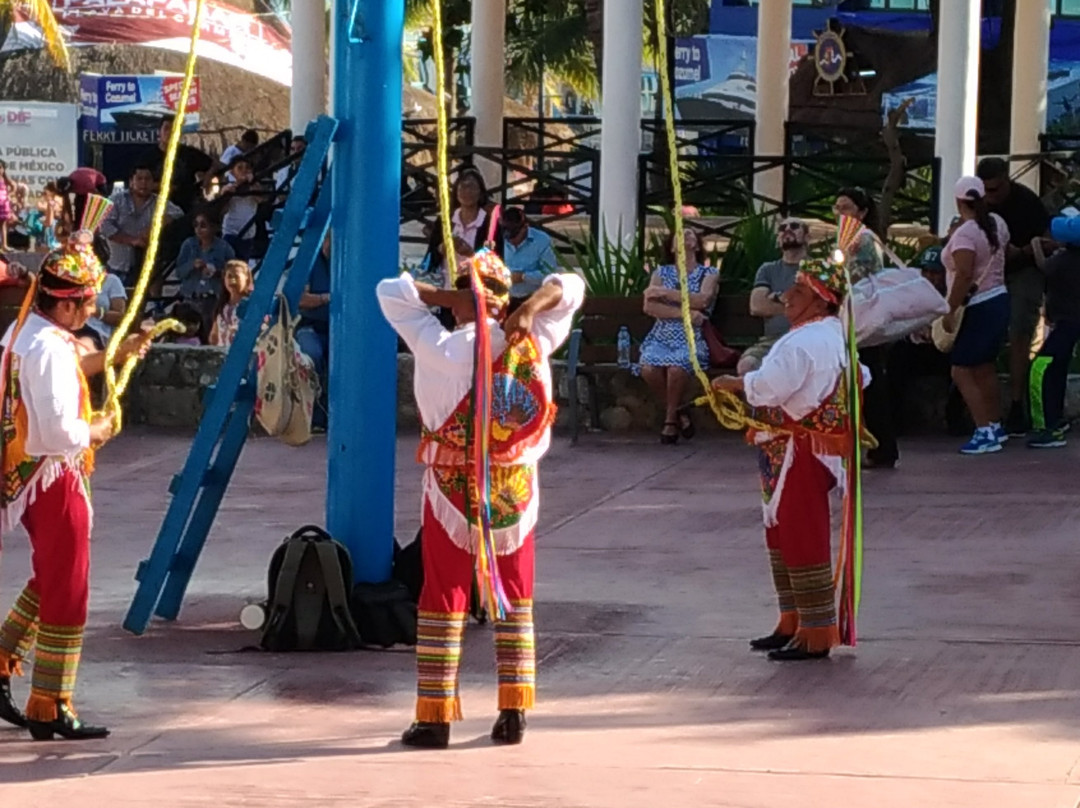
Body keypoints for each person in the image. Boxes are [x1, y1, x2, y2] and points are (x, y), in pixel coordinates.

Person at [376, 250, 584, 750]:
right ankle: (513, 711)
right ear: (502, 298)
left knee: (444, 593)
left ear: (459, 301)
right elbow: (571, 285)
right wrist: (529, 307)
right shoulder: (531, 341)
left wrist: (448, 298)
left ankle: (435, 716)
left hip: (452, 486)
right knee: (514, 591)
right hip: (512, 486)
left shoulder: (439, 345)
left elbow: (389, 290)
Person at [0, 229, 152, 739]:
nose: (90, 313)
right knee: (69, 588)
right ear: (67, 305)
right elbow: (63, 432)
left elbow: (66, 367)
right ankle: (51, 701)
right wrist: (100, 429)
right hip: (54, 476)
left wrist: (117, 353)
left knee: (52, 575)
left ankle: (2, 659)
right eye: (86, 304)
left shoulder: (24, 334)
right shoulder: (48, 349)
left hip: (30, 478)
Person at [711, 257, 865, 662]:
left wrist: (736, 383)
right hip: (797, 447)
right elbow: (862, 376)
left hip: (799, 448)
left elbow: (768, 387)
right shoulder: (833, 334)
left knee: (800, 532)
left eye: (797, 291)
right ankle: (793, 620)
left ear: (819, 300)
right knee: (782, 531)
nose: (786, 297)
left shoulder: (805, 341)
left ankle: (815, 631)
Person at [976, 158, 1052, 437]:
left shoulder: (1027, 202)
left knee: (1020, 326)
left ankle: (1018, 404)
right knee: (974, 328)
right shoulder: (979, 203)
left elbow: (1048, 237)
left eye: (995, 190)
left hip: (1022, 269)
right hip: (987, 271)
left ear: (1007, 180)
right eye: (986, 191)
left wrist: (1023, 251)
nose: (991, 196)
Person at [941, 176, 1011, 455]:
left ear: (959, 201)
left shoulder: (965, 235)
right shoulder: (997, 223)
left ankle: (983, 430)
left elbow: (964, 273)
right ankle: (995, 424)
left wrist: (950, 308)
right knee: (984, 367)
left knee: (961, 368)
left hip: (976, 305)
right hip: (999, 297)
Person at [834, 187, 898, 469]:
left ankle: (882, 446)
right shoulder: (847, 239)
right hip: (853, 318)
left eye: (845, 208)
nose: (839, 214)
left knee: (870, 384)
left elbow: (859, 277)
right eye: (837, 208)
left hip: (863, 321)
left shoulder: (863, 239)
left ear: (862, 212)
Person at [639, 228, 719, 444]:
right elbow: (649, 306)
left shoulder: (708, 274)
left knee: (677, 367)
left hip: (693, 336)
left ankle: (670, 421)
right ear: (672, 246)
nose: (685, 236)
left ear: (697, 245)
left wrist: (664, 293)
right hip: (661, 335)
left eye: (690, 234)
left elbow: (702, 300)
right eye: (680, 235)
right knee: (648, 368)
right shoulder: (660, 273)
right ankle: (679, 413)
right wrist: (687, 314)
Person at [885, 245, 968, 437]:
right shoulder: (913, 290)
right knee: (897, 357)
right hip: (917, 349)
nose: (931, 277)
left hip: (944, 349)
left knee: (962, 363)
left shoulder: (954, 292)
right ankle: (894, 421)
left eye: (936, 272)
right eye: (927, 271)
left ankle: (955, 420)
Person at [1027, 217, 1080, 448]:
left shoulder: (1062, 262)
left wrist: (1036, 244)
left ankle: (1048, 427)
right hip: (1070, 321)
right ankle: (1056, 421)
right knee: (1058, 367)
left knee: (1042, 369)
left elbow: (1042, 265)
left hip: (1067, 322)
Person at [738, 218, 809, 375]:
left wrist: (776, 298)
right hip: (773, 341)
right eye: (782, 228)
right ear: (778, 238)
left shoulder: (818, 268)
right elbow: (756, 307)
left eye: (795, 226)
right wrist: (799, 307)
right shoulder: (767, 269)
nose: (787, 229)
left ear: (807, 237)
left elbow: (822, 307)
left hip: (809, 338)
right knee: (747, 366)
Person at [100, 165, 182, 284]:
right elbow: (104, 225)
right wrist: (132, 240)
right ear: (131, 182)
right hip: (117, 266)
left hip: (145, 268)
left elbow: (178, 213)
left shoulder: (159, 201)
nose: (143, 183)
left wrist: (154, 226)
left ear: (153, 183)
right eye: (139, 179)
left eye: (147, 179)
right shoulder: (116, 200)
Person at [296, 232, 331, 431]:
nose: (328, 243)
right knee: (312, 356)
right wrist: (327, 297)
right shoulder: (308, 262)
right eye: (326, 238)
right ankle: (313, 415)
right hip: (309, 326)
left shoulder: (347, 262)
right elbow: (302, 299)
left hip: (336, 328)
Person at [142, 119, 213, 215]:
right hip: (155, 208)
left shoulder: (188, 153)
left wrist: (208, 177)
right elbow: (138, 183)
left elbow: (213, 164)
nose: (169, 132)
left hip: (185, 207)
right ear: (159, 131)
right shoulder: (148, 157)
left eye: (174, 129)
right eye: (166, 128)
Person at [503, 207, 558, 312]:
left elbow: (550, 274)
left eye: (514, 236)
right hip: (503, 297)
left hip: (532, 299)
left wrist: (523, 277)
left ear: (525, 228)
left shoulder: (542, 241)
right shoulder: (497, 239)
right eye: (508, 238)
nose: (511, 241)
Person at [175, 210, 234, 302]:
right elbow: (179, 273)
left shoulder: (224, 248)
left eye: (203, 225)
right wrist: (192, 265)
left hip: (213, 298)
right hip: (190, 297)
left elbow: (233, 274)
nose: (198, 229)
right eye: (195, 225)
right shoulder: (188, 245)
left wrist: (216, 272)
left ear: (214, 227)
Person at [220, 156, 265, 261]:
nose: (244, 171)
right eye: (240, 168)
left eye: (247, 168)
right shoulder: (228, 187)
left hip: (248, 234)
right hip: (230, 232)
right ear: (232, 172)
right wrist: (226, 195)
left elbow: (261, 199)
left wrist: (252, 184)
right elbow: (223, 210)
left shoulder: (255, 186)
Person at [74, 270, 127, 352]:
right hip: (72, 327)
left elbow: (119, 317)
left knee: (81, 346)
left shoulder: (111, 280)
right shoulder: (74, 277)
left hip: (95, 332)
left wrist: (95, 311)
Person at [209, 260, 254, 348]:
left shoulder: (252, 304)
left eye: (236, 277)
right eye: (229, 276)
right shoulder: (222, 306)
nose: (232, 280)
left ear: (246, 279)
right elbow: (213, 337)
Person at [0, 160, 14, 251]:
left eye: (1, 168)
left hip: (3, 203)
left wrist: (9, 195)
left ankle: (4, 245)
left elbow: (13, 186)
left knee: (3, 225)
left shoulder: (4, 178)